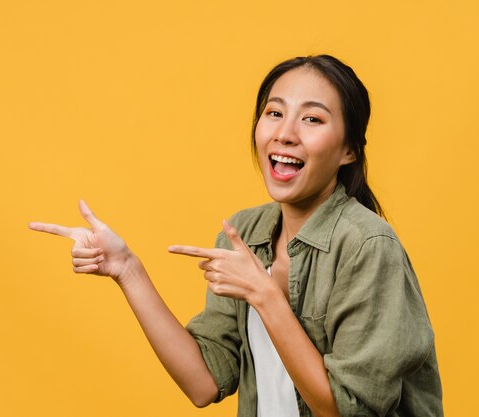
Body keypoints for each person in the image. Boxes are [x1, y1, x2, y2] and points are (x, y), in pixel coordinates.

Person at [29, 55, 443, 417]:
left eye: (312, 118)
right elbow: (204, 382)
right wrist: (127, 270)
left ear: (349, 150)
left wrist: (264, 295)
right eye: (274, 113)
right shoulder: (244, 234)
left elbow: (345, 409)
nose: (285, 133)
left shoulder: (368, 246)